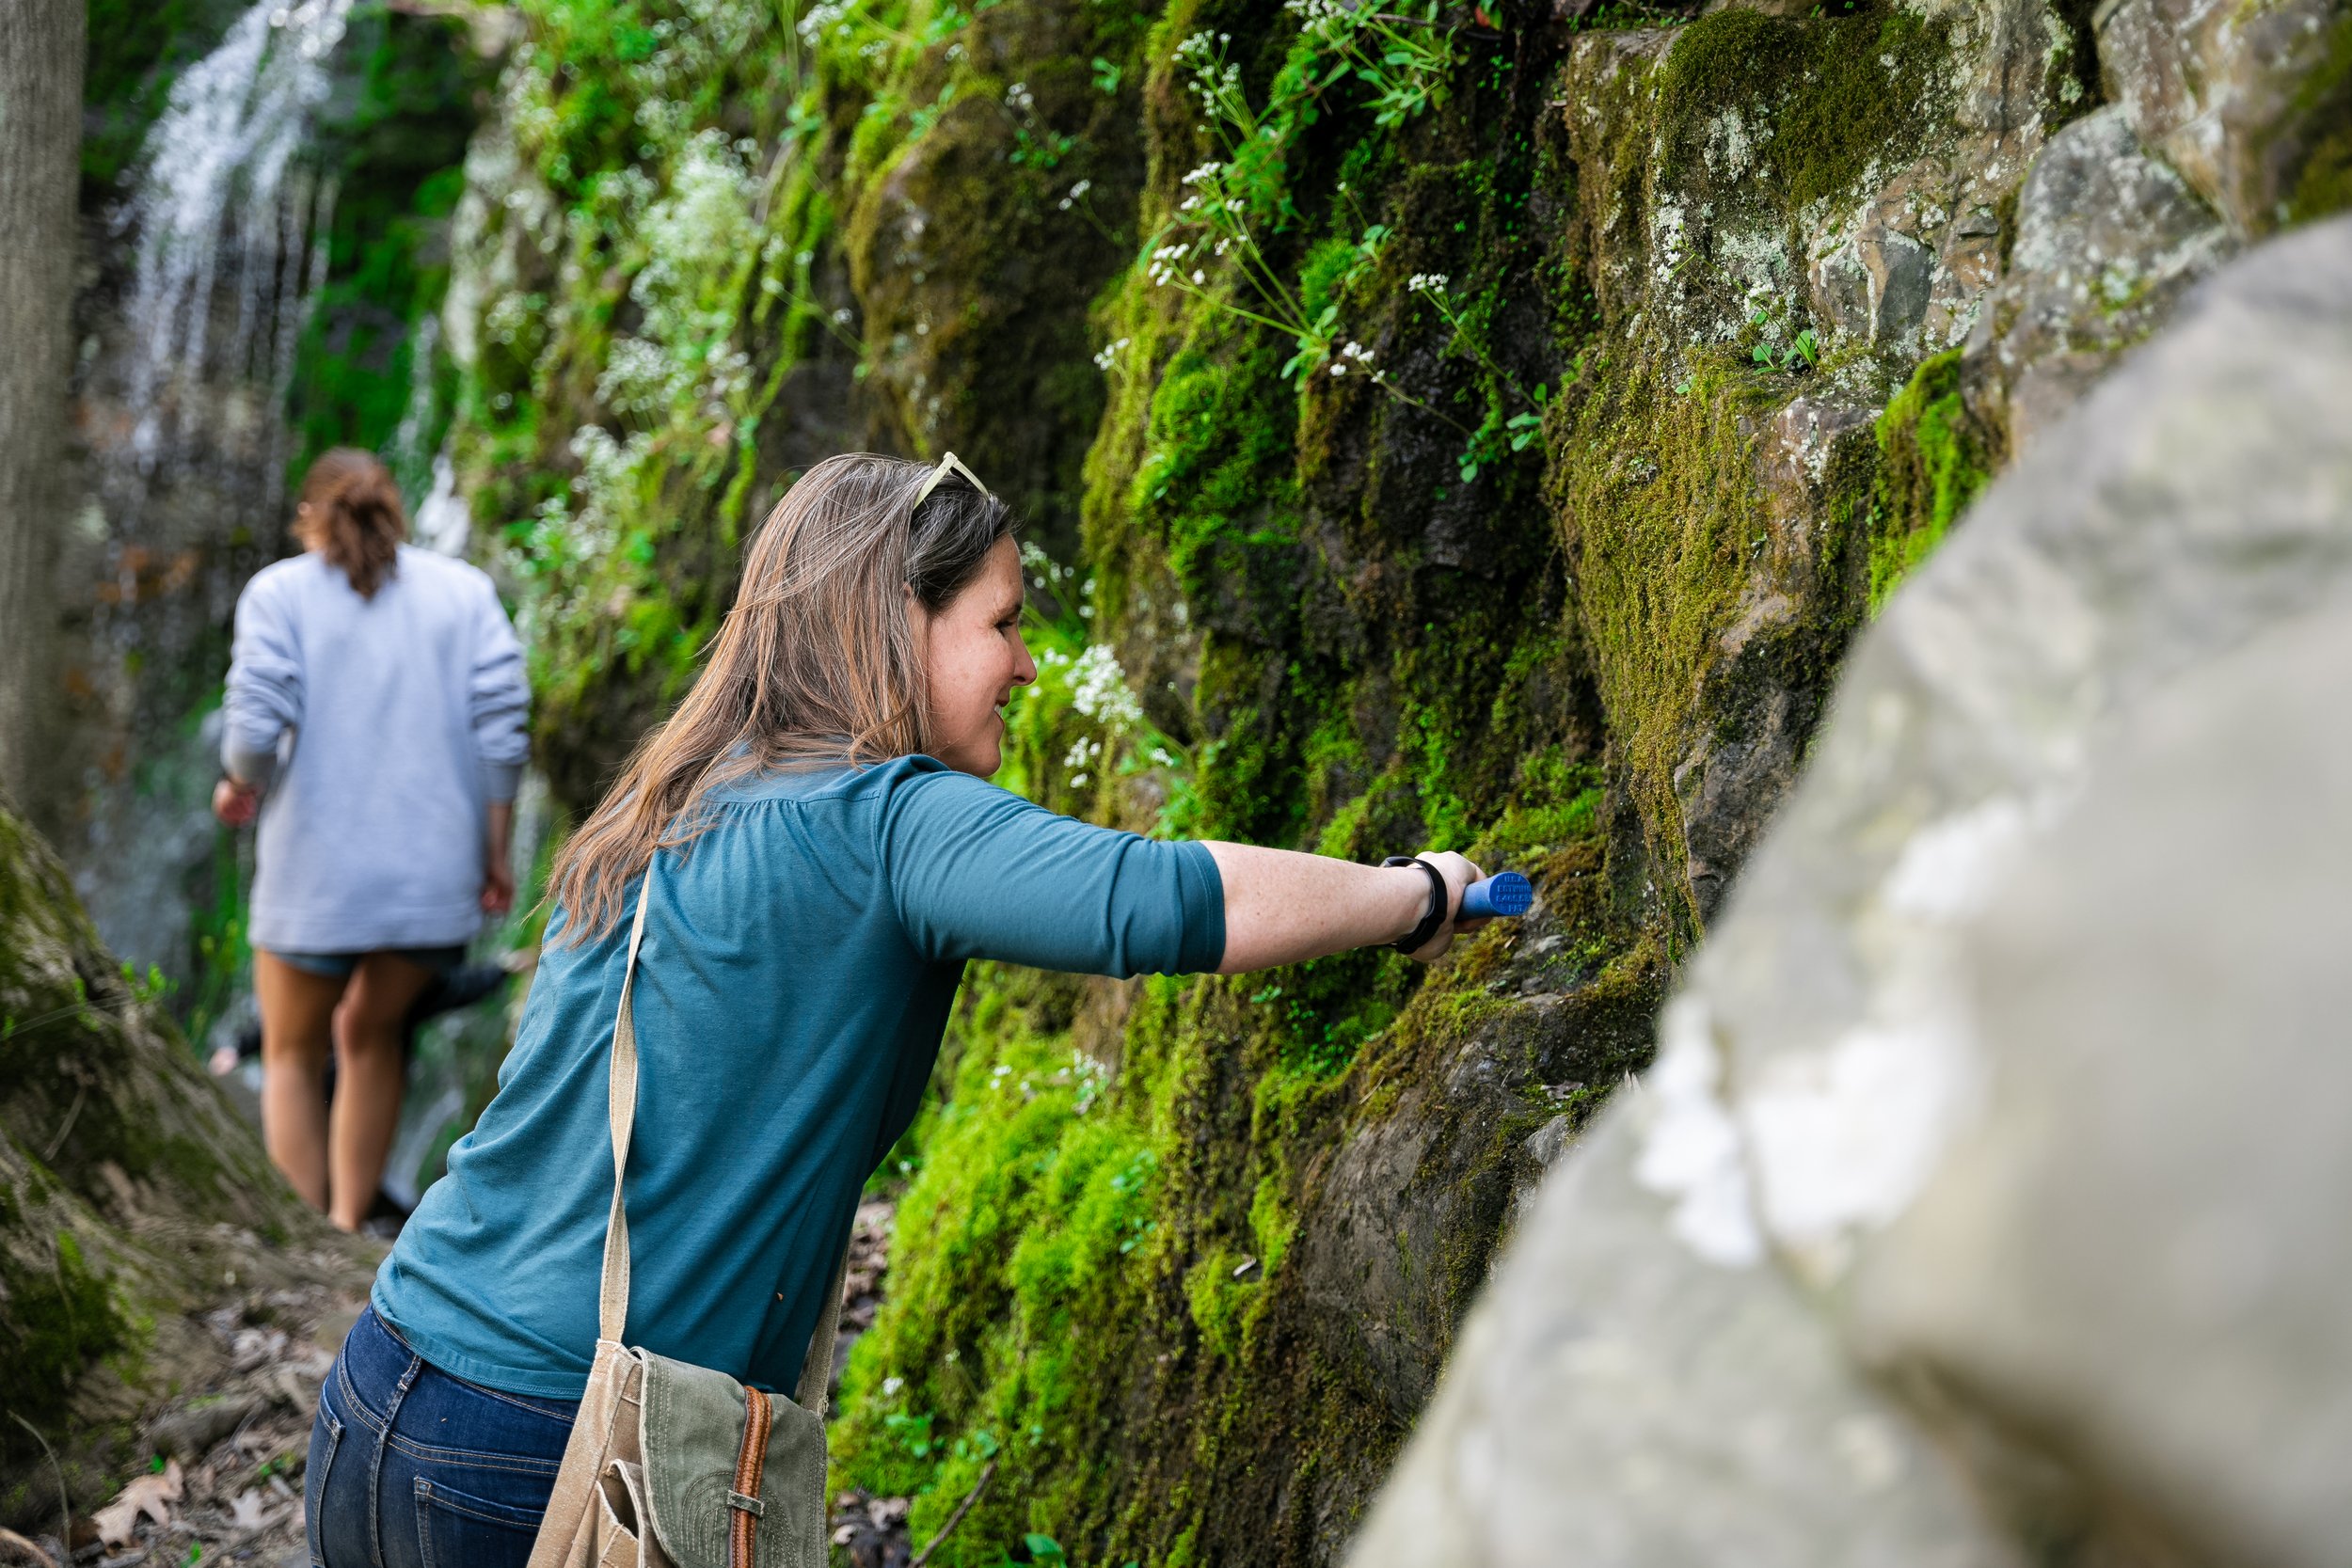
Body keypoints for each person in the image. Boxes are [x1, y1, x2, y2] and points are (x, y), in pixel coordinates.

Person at [306, 451, 1484, 1568]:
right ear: (896, 619)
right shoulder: (882, 819)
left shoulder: (668, 802)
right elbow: (1165, 900)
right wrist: (1414, 893)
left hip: (377, 1389)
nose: (1027, 664)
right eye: (1003, 622)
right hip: (545, 1456)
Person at [214, 447, 529, 1234]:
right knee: (372, 1031)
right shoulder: (465, 592)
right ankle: (354, 1226)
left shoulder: (280, 592)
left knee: (290, 1053)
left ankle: (306, 1235)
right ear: (397, 508)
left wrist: (240, 783)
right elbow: (502, 735)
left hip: (314, 876)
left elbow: (253, 726)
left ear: (309, 516)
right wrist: (494, 852)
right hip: (429, 880)